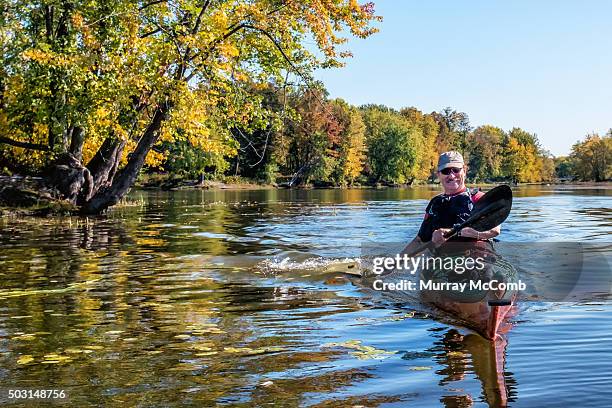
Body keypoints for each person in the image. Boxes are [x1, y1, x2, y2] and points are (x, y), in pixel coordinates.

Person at [403, 151, 500, 254]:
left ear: (464, 171)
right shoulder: (435, 204)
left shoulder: (480, 198)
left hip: (477, 259)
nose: (452, 176)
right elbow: (419, 241)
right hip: (444, 260)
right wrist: (394, 261)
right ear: (439, 174)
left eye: (456, 170)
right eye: (446, 171)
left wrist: (456, 232)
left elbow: (494, 230)